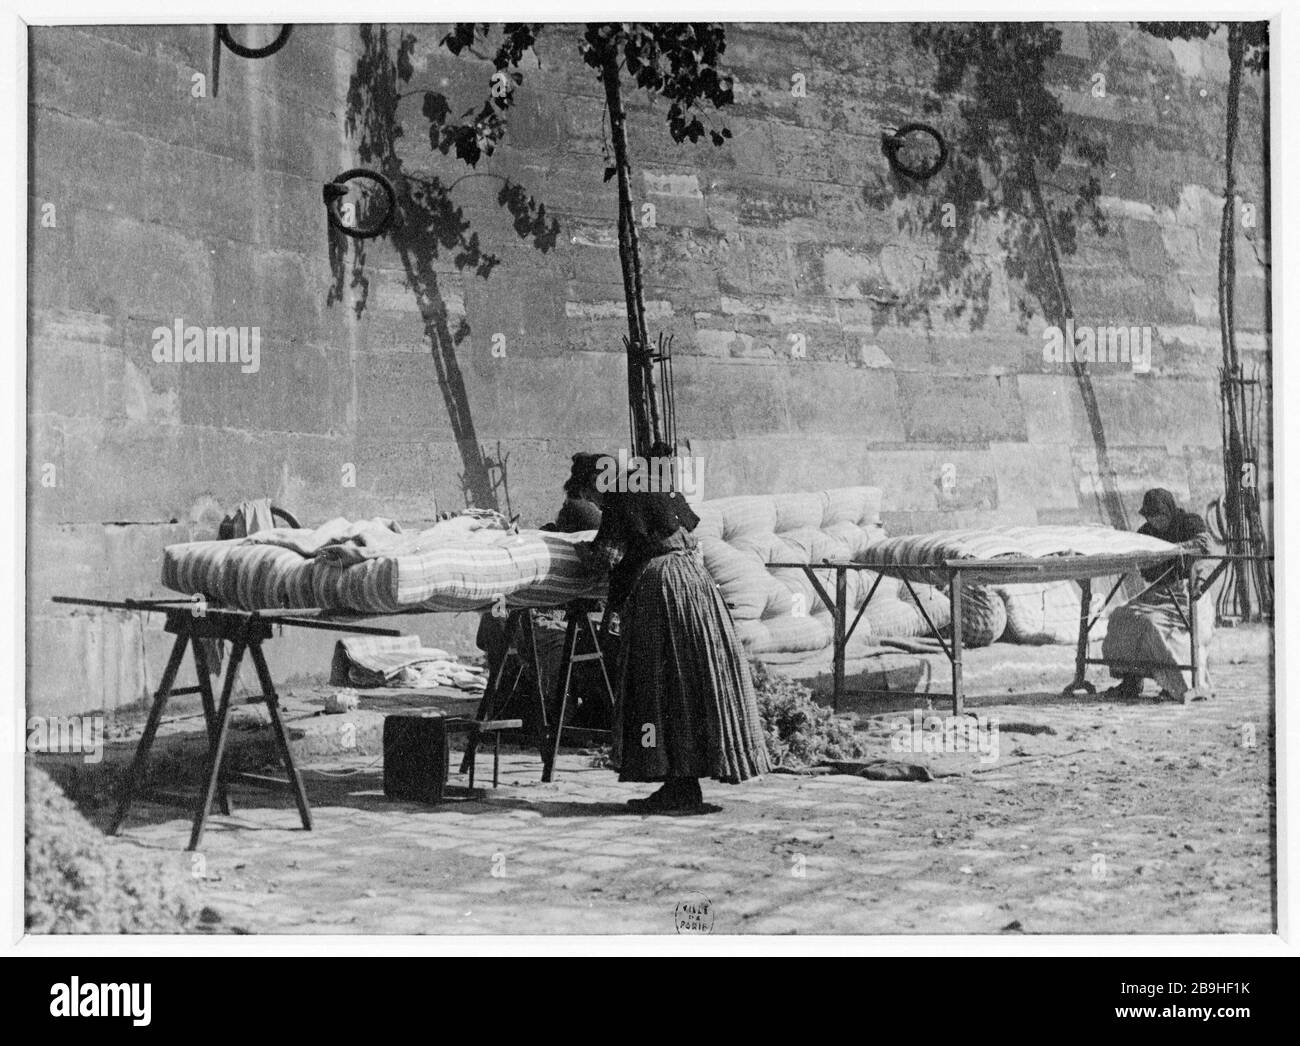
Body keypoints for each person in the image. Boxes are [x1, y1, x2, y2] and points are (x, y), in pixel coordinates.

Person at [579, 448, 770, 812]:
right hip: (694, 582)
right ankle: (685, 782)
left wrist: (579, 554)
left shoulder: (621, 495)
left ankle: (679, 784)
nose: (596, 504)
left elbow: (608, 557)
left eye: (592, 496)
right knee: (693, 680)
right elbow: (688, 537)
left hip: (661, 587)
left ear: (595, 481)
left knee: (663, 682)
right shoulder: (654, 485)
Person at [1102, 488, 1216, 701]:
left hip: (1186, 592)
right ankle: (1131, 679)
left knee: (1154, 625)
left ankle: (1174, 683)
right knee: (1122, 617)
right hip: (1159, 592)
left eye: (1160, 516)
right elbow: (1139, 559)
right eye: (1151, 517)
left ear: (1170, 511)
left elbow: (1206, 545)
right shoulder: (1146, 532)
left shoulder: (1188, 522)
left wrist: (1168, 550)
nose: (1156, 522)